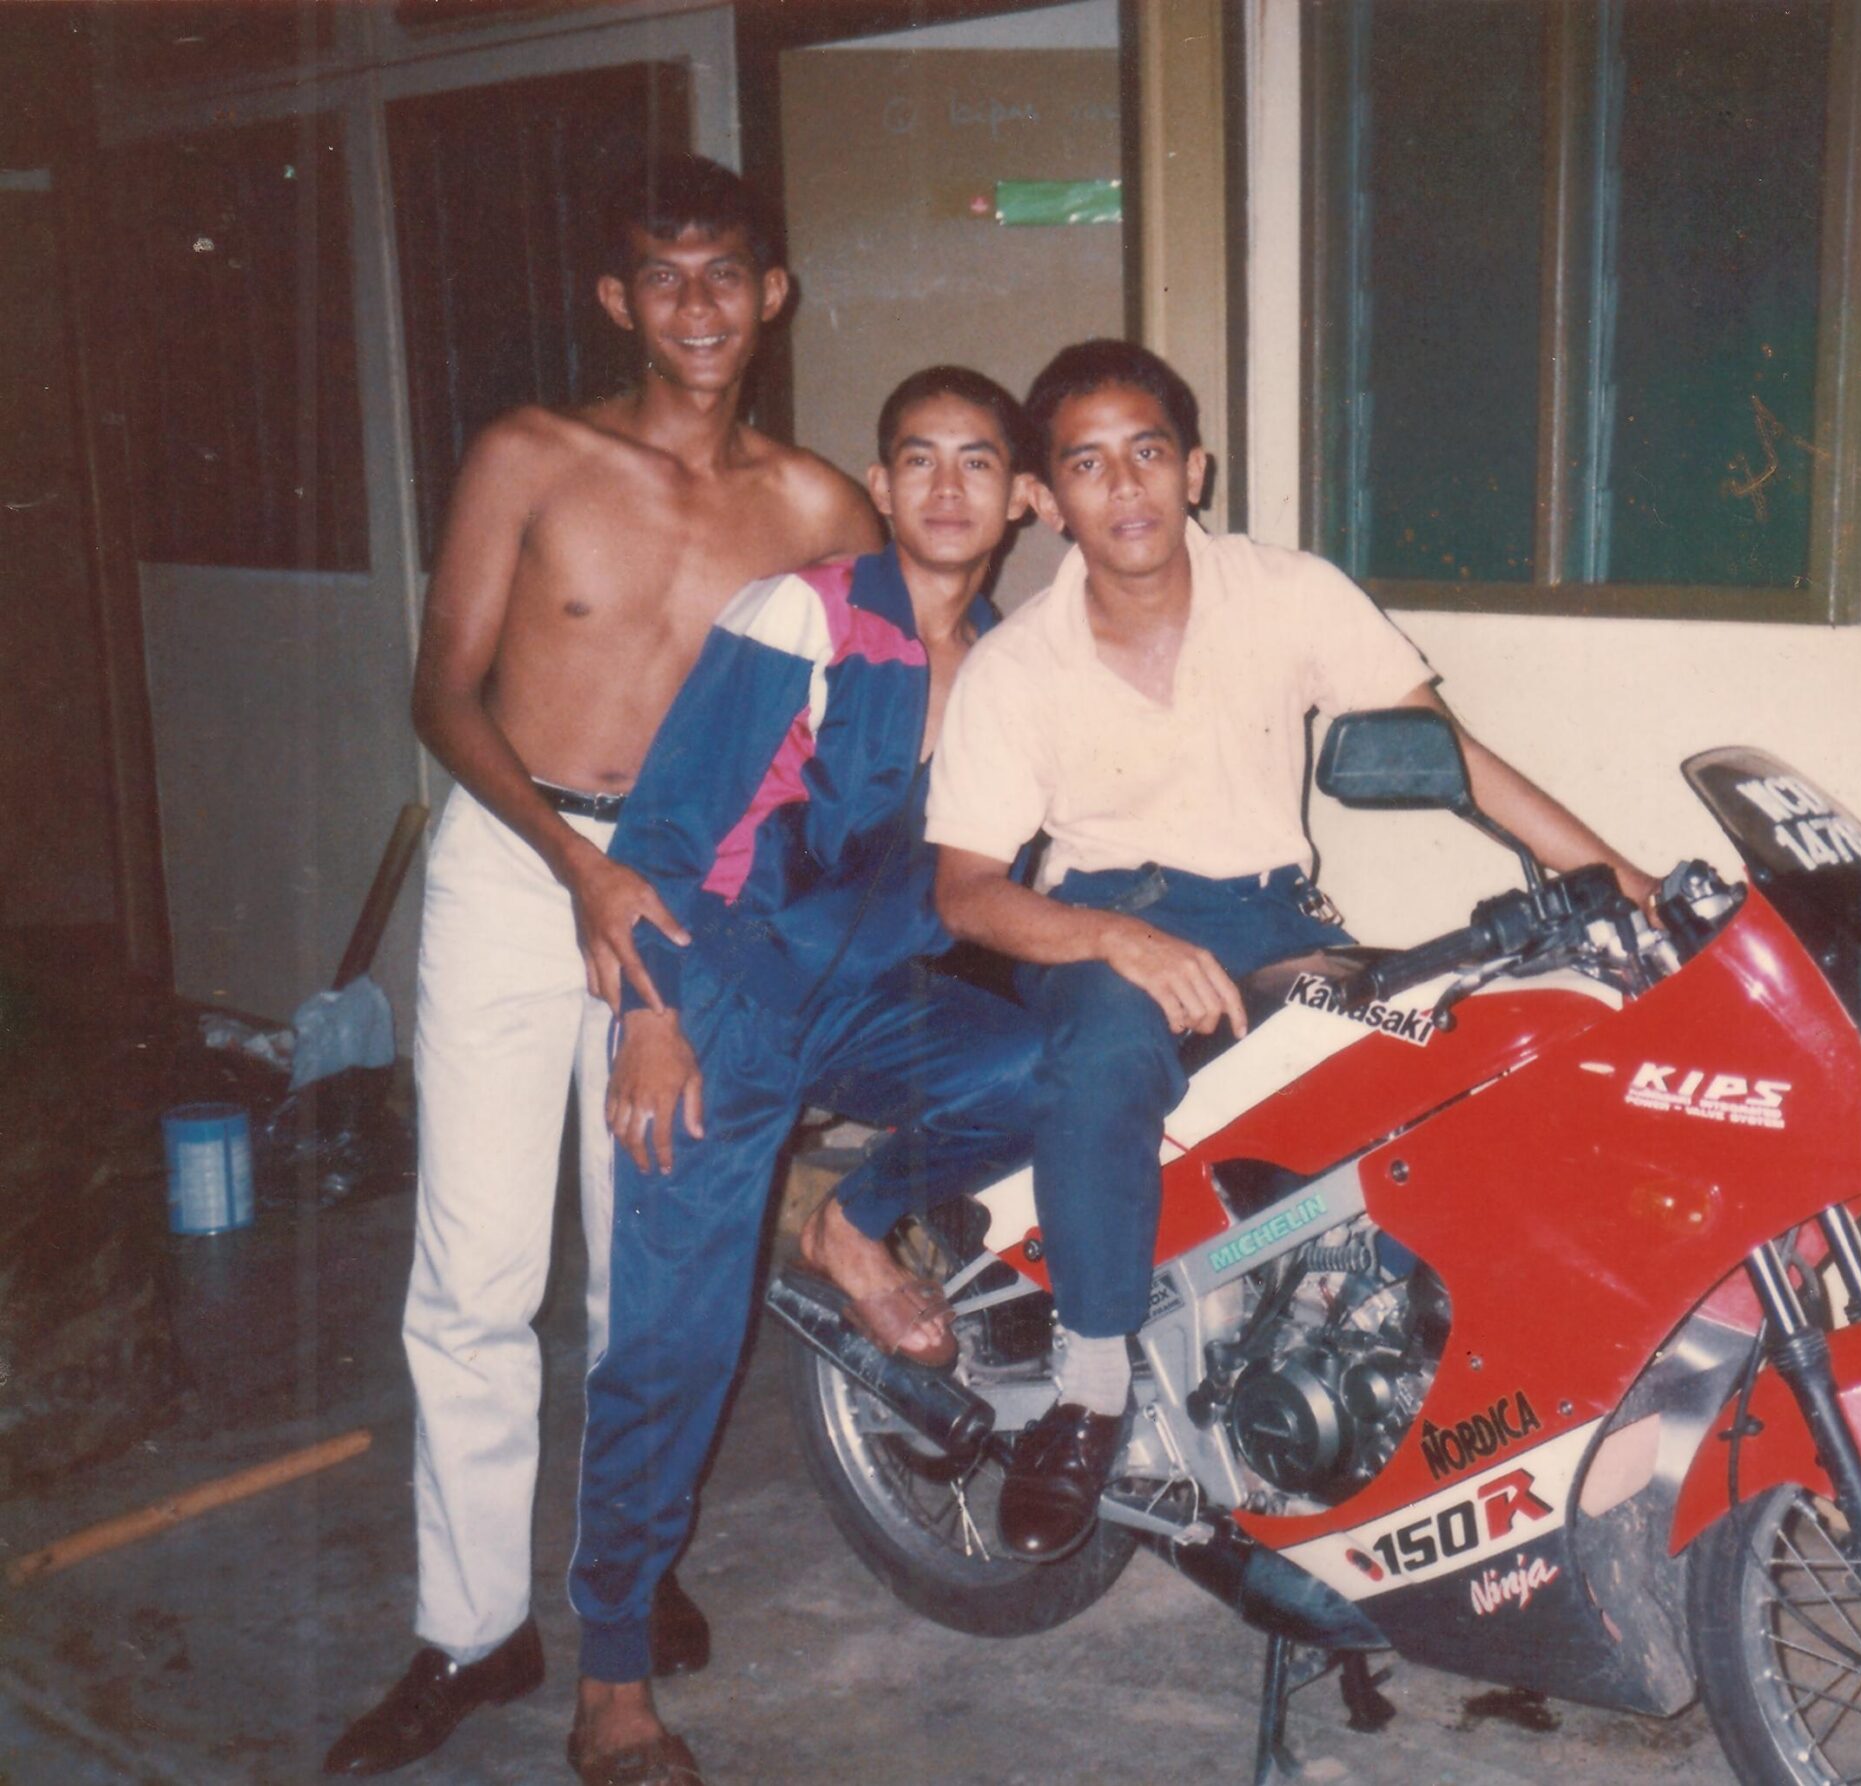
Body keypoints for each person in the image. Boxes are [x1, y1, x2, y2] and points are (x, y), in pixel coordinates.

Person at [325, 156, 881, 1778]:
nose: (698, 306)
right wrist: (580, 868)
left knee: (655, 1274)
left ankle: (624, 1574)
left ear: (773, 294)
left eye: (727, 274)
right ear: (619, 300)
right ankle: (471, 1628)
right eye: (664, 276)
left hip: (693, 902)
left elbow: (860, 734)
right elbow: (443, 693)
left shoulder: (820, 511)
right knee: (476, 1273)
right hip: (522, 865)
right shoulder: (532, 455)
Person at [924, 339, 1656, 1560]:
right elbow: (964, 891)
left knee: (1446, 1048)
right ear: (1046, 500)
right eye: (1089, 465)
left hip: (1273, 920)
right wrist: (1114, 938)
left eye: (1148, 452)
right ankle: (1089, 1389)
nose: (1126, 487)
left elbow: (1452, 755)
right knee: (1106, 1060)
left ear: (1195, 468)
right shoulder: (1015, 667)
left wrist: (1624, 884)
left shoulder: (1288, 590)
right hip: (1102, 921)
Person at [565, 368, 1047, 1786]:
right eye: (919, 459)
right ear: (881, 487)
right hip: (715, 994)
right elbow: (665, 829)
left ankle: (849, 1222)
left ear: (1022, 497)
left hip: (869, 1001)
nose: (947, 486)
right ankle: (610, 1681)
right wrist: (651, 1018)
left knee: (1041, 1067)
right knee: (672, 1341)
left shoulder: (1016, 666)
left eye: (979, 460)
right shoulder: (804, 614)